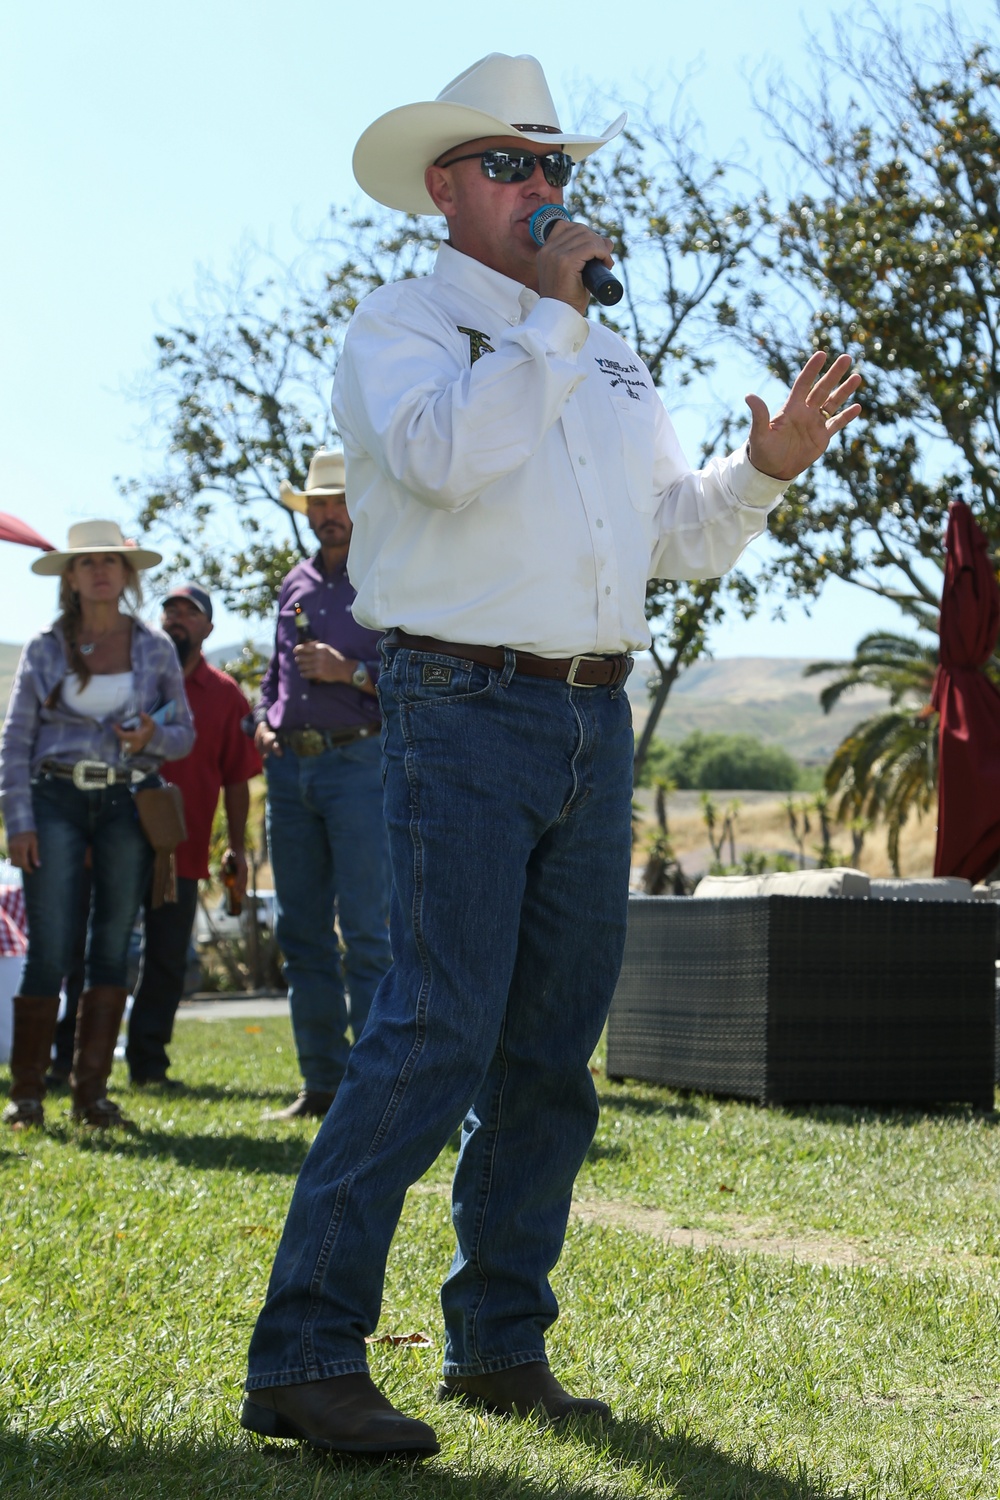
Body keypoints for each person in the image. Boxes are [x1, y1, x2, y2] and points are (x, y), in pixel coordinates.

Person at [241, 53, 862, 1457]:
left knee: (549, 1054)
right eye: (513, 168)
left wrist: (761, 471)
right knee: (431, 1033)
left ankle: (498, 1345)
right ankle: (306, 1353)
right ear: (444, 185)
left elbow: (671, 542)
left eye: (556, 169)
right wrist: (554, 328)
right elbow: (452, 462)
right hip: (455, 708)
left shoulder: (607, 353)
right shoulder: (405, 327)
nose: (544, 191)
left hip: (590, 713)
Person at [0, 520, 195, 1128]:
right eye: (87, 562)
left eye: (111, 560)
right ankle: (27, 1095)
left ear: (127, 574)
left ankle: (92, 1096)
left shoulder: (155, 649)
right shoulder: (43, 646)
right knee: (50, 947)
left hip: (124, 800)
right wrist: (18, 821)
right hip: (53, 798)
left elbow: (183, 735)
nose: (100, 570)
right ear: (71, 578)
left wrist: (152, 736)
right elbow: (15, 741)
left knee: (112, 945)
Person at [253, 449, 390, 1121]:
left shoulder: (388, 577)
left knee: (368, 933)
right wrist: (261, 722)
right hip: (291, 772)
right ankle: (322, 1084)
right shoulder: (294, 584)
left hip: (362, 764)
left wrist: (352, 673)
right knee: (300, 934)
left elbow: (418, 677)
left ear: (360, 504)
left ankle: (372, 1090)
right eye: (318, 505)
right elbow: (271, 677)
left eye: (338, 502)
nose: (329, 514)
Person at [126, 583, 262, 1086]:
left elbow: (238, 778)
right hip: (116, 841)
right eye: (169, 610)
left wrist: (235, 848)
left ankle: (148, 1067)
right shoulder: (131, 679)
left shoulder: (226, 696)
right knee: (94, 953)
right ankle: (70, 1066)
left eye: (189, 612)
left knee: (164, 961)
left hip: (180, 852)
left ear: (208, 628)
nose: (176, 618)